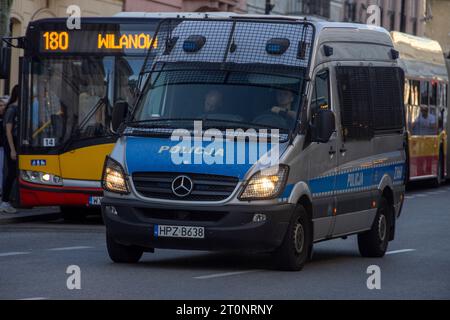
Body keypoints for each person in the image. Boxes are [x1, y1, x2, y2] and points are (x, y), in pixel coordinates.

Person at [0, 85, 19, 214]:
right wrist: (12, 149)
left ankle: (9, 200)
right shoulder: (12, 110)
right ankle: (5, 201)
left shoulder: (19, 108)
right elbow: (8, 131)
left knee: (14, 172)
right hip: (11, 144)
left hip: (17, 144)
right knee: (11, 172)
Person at [0, 97, 7, 198]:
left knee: (2, 169)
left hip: (2, 146)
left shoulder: (5, 117)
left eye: (2, 105)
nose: (1, 107)